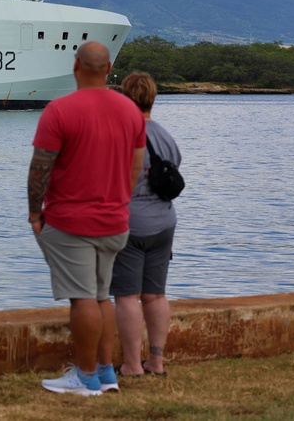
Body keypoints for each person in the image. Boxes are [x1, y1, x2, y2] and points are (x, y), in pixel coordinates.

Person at [28, 41, 146, 396]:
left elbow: (40, 168)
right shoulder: (130, 112)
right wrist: (119, 203)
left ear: (75, 66)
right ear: (109, 69)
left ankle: (85, 377)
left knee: (82, 299)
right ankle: (106, 373)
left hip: (71, 221)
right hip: (115, 220)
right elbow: (135, 167)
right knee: (100, 297)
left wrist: (35, 213)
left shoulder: (59, 110)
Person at [111, 71, 181, 377]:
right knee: (156, 295)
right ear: (153, 97)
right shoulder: (165, 136)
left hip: (130, 223)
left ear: (125, 98)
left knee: (126, 296)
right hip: (164, 222)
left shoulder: (122, 133)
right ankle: (157, 361)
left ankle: (131, 364)